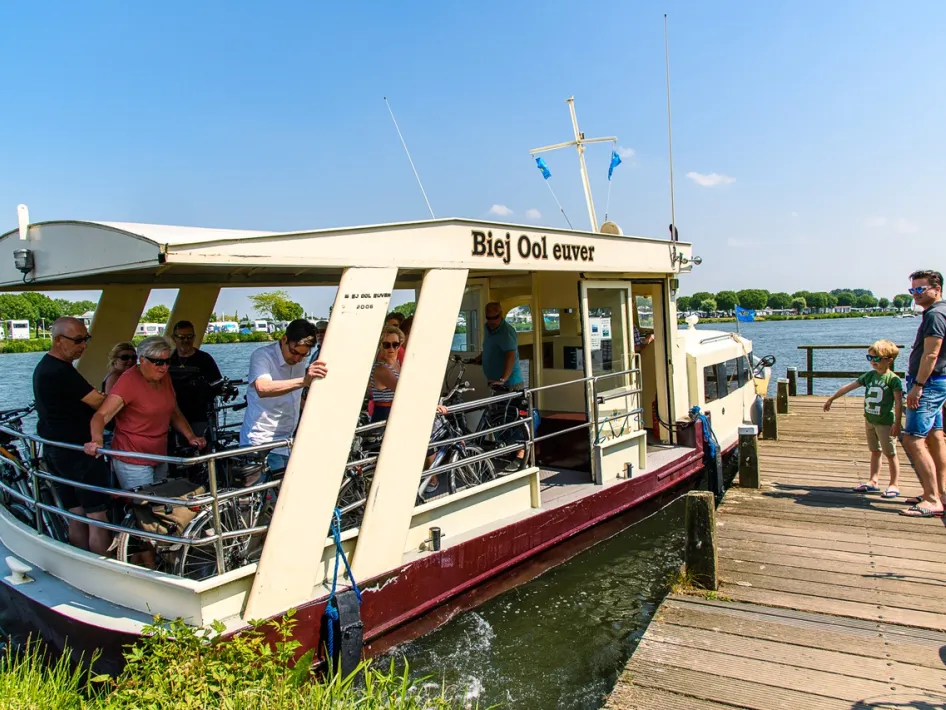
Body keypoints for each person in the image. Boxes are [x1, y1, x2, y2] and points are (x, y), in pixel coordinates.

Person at [33, 317, 111, 555]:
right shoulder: (61, 372)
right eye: (78, 340)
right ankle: (104, 569)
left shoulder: (44, 367)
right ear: (58, 340)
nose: (83, 345)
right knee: (98, 518)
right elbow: (98, 400)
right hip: (79, 452)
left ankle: (81, 562)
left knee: (76, 515)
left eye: (86, 339)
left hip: (56, 449)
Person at [85, 336, 206, 490]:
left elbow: (174, 412)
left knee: (161, 504)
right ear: (142, 360)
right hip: (133, 457)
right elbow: (101, 415)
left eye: (167, 361)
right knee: (144, 507)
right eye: (158, 362)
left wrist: (191, 436)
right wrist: (97, 440)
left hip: (159, 454)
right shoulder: (128, 381)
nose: (164, 367)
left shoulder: (164, 376)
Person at [240, 319, 328, 473]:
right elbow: (263, 388)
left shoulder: (301, 359)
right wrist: (304, 380)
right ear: (284, 339)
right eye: (294, 352)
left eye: (303, 354)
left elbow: (293, 395)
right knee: (271, 495)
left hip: (288, 440)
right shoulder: (262, 356)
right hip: (261, 440)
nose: (297, 359)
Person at [369, 325, 447, 492]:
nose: (391, 348)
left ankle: (427, 479)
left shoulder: (398, 363)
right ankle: (428, 480)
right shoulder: (381, 368)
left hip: (399, 413)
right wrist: (431, 404)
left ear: (400, 344)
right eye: (386, 344)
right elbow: (403, 390)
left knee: (422, 441)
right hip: (386, 415)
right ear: (380, 345)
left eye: (395, 344)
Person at [823, 340, 902, 498]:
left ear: (889, 360)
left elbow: (899, 403)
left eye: (877, 359)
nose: (873, 362)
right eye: (870, 358)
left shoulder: (893, 380)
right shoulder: (869, 376)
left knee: (890, 453)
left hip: (885, 422)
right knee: (874, 451)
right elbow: (850, 386)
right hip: (870, 420)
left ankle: (894, 484)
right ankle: (873, 480)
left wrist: (897, 423)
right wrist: (832, 398)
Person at [899, 269, 946, 517]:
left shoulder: (935, 316)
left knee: (912, 438)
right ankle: (940, 492)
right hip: (937, 381)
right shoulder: (939, 311)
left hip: (928, 384)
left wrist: (918, 386)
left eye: (921, 289)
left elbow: (931, 354)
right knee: (935, 435)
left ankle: (931, 499)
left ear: (936, 289)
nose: (916, 294)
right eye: (913, 290)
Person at [475, 302, 526, 473]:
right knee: (499, 420)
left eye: (495, 318)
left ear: (501, 315)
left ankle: (521, 455)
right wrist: (480, 358)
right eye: (489, 318)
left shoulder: (506, 332)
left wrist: (503, 379)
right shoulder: (488, 329)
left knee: (513, 420)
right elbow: (490, 348)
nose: (492, 321)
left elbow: (510, 356)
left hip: (510, 384)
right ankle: (508, 452)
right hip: (496, 385)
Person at [168, 320, 223, 437]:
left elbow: (217, 384)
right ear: (174, 338)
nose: (186, 341)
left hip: (200, 417)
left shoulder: (205, 359)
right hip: (171, 416)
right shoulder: (167, 360)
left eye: (189, 337)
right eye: (181, 337)